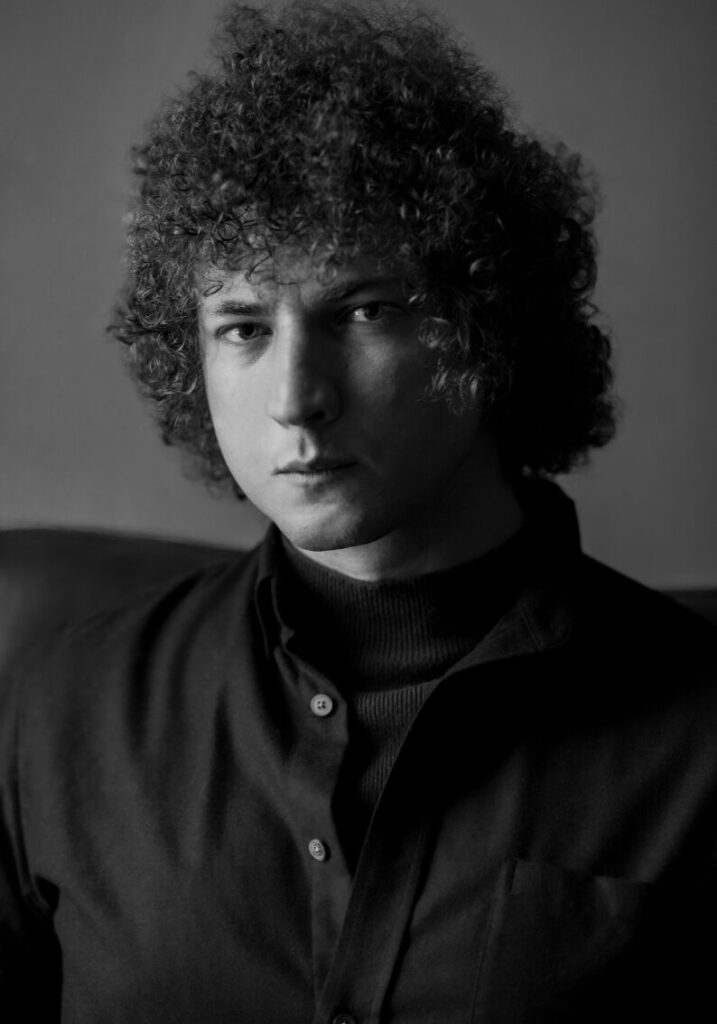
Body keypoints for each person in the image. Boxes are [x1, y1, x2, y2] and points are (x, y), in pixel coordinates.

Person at [1, 2, 715, 1021]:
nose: (296, 395)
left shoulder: (694, 735)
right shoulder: (68, 710)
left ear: (489, 331)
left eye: (365, 311)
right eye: (243, 326)